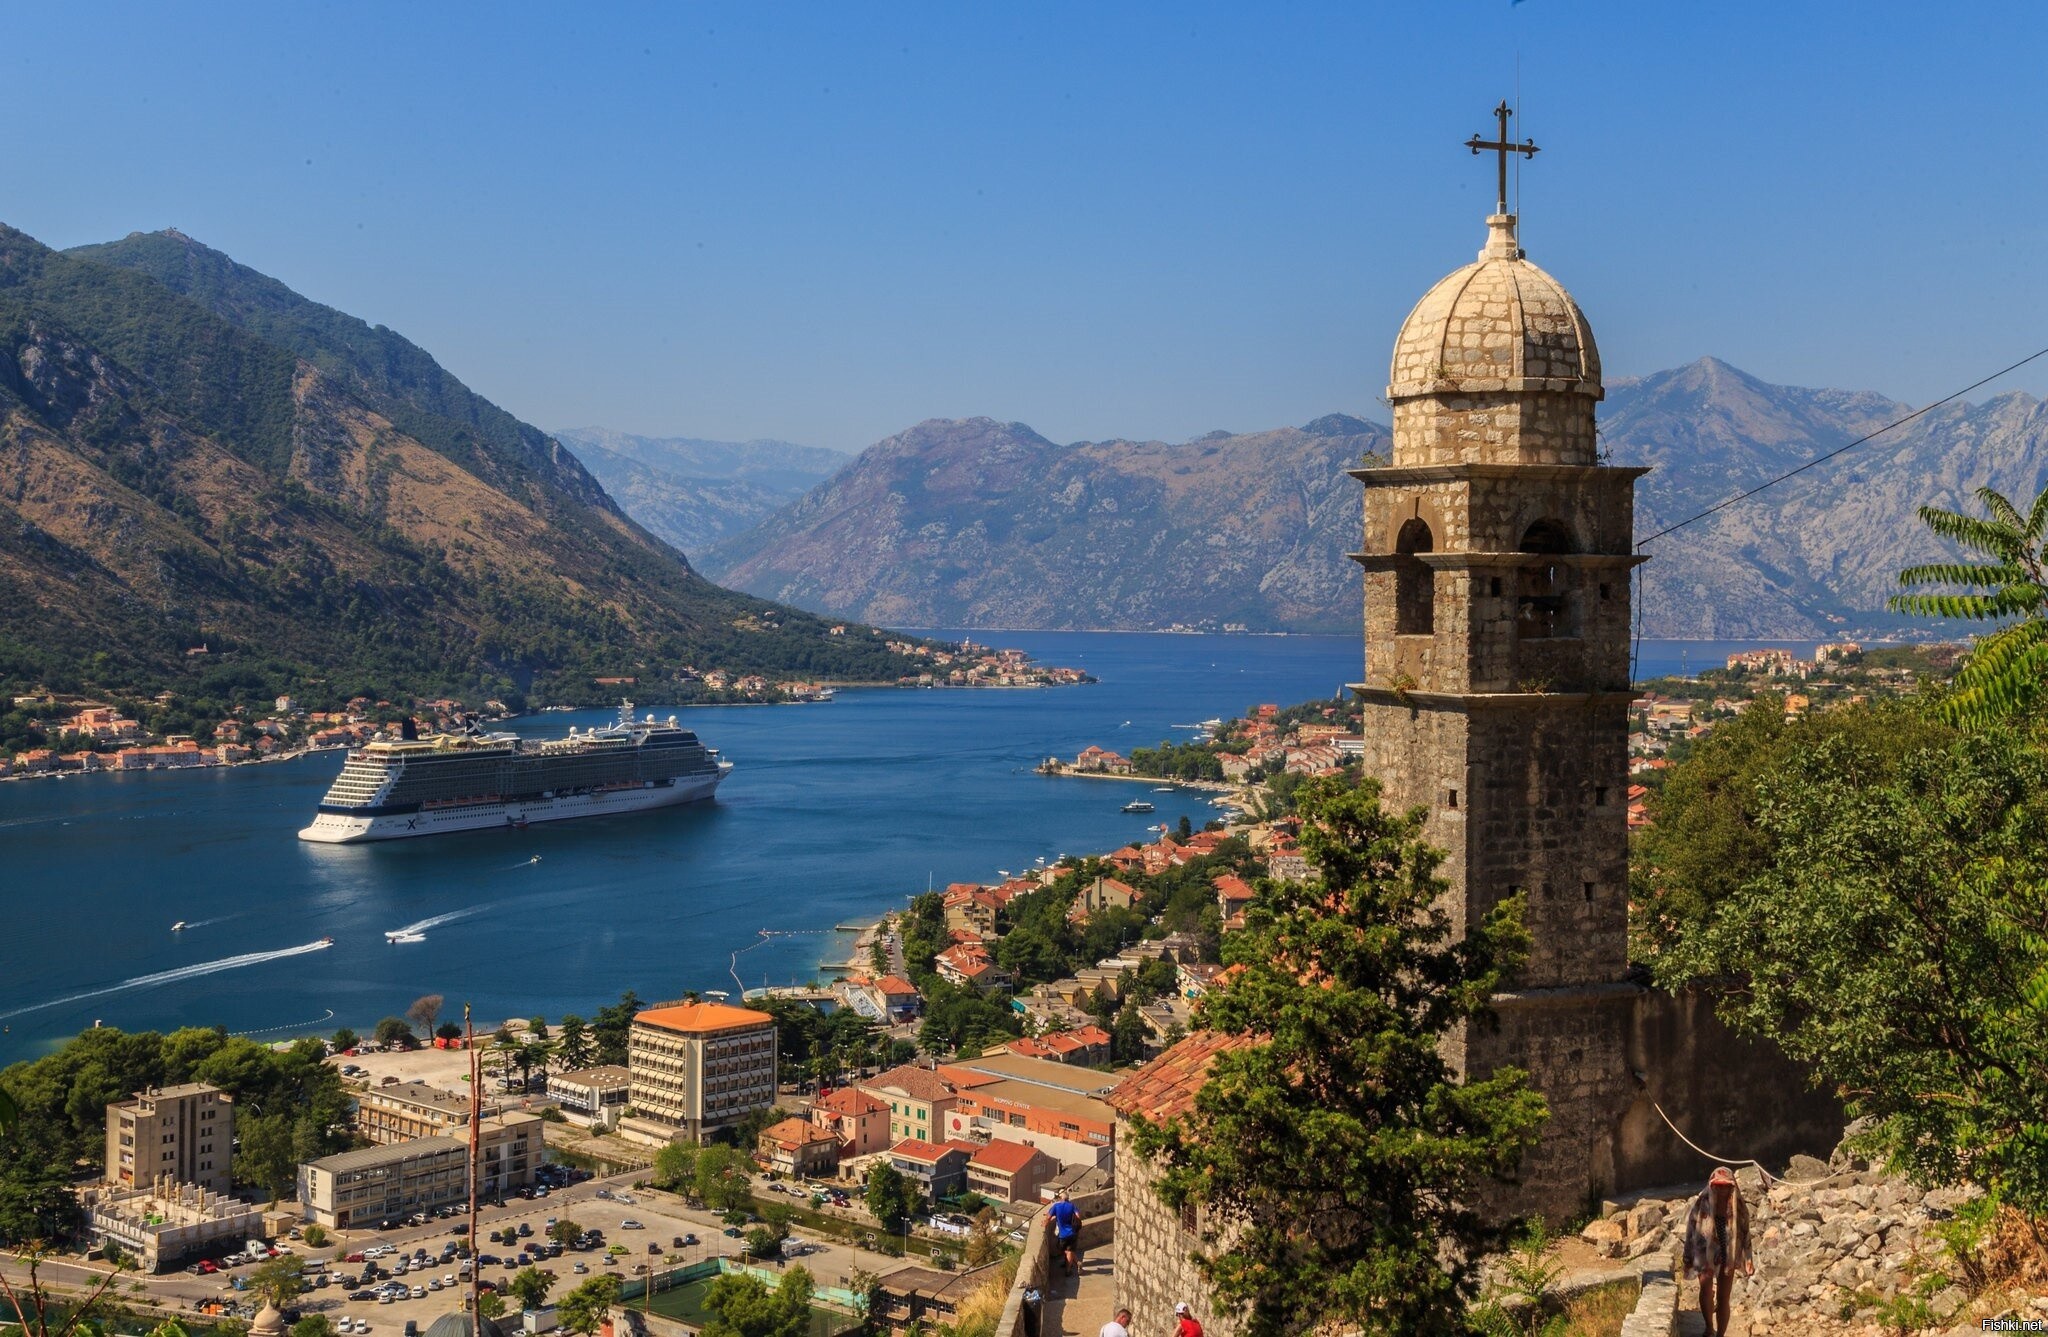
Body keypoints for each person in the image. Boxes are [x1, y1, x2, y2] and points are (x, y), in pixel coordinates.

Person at [1681, 1166, 1754, 1337]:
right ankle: (1708, 1327)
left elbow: (1745, 1235)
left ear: (1732, 1186)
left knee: (1723, 1296)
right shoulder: (1701, 1204)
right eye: (1718, 1186)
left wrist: (1748, 1259)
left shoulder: (1739, 1207)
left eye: (1725, 1186)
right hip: (1703, 1250)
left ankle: (1720, 1334)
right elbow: (1691, 1231)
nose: (1722, 1190)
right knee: (1705, 1287)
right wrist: (1688, 1256)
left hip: (1728, 1251)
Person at [1047, 1191, 1081, 1276]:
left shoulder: (1056, 1206)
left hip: (1063, 1234)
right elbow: (1078, 1216)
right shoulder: (1072, 1206)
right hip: (1073, 1233)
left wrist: (1045, 1222)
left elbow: (1048, 1217)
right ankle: (1070, 1268)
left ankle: (1075, 1264)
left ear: (1061, 1198)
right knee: (1069, 1251)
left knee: (1064, 1250)